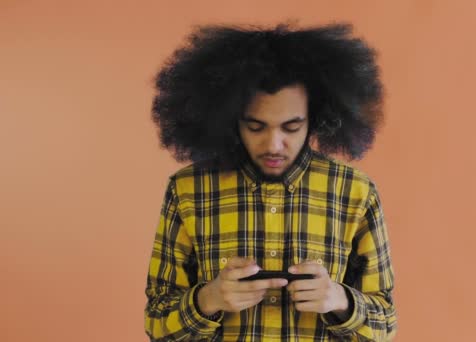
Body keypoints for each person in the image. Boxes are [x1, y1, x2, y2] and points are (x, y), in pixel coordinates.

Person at [144, 22, 396, 341]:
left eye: (291, 127)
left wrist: (339, 300)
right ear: (230, 118)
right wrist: (208, 299)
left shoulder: (355, 192)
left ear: (316, 119)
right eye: (256, 127)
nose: (274, 144)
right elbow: (156, 324)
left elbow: (385, 324)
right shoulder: (189, 190)